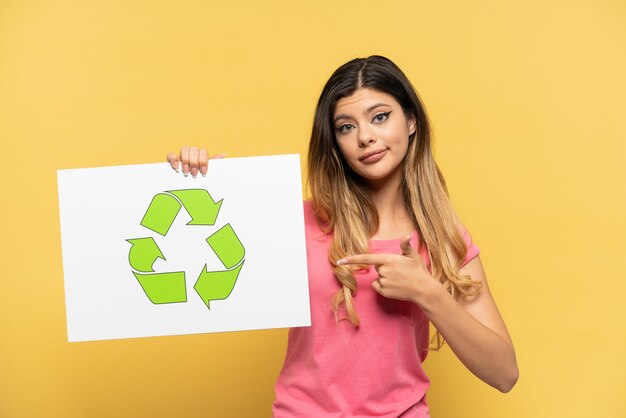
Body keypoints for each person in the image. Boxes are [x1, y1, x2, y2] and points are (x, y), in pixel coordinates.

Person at [167, 55, 518, 417]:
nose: (365, 137)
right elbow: (201, 251)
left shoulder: (443, 238)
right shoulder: (297, 223)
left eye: (380, 117)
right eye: (346, 127)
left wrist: (426, 291)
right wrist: (200, 182)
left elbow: (504, 373)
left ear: (411, 121)